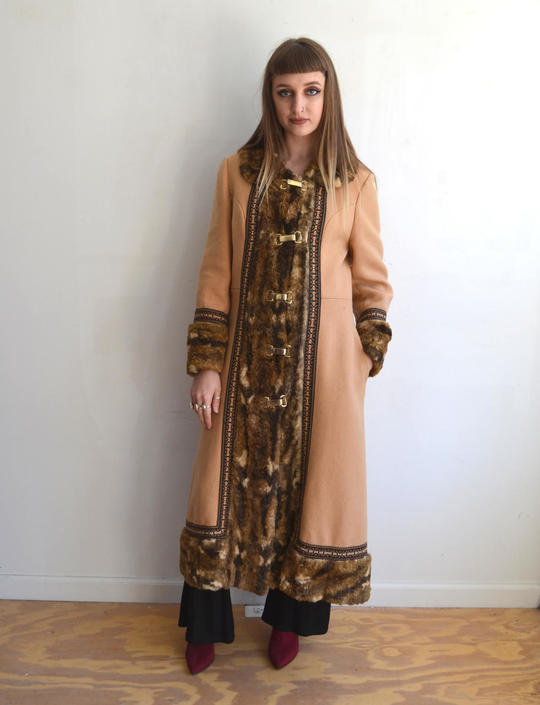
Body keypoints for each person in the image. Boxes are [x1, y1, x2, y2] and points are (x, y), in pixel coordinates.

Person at [177, 36, 394, 675]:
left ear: (328, 96)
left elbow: (372, 283)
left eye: (311, 91)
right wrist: (208, 363)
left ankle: (289, 620)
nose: (299, 106)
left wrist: (365, 352)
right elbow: (215, 271)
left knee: (312, 497)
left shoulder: (355, 182)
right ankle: (205, 623)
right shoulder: (236, 173)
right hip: (242, 364)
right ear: (270, 99)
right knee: (215, 497)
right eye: (285, 92)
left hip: (323, 372)